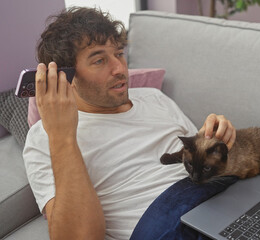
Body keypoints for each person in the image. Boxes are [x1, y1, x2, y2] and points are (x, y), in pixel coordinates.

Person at [23, 7, 236, 240]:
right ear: (66, 77)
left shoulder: (154, 98)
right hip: (167, 228)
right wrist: (62, 135)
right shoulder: (43, 138)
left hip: (222, 205)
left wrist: (215, 138)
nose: (120, 69)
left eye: (119, 54)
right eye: (100, 60)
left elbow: (201, 167)